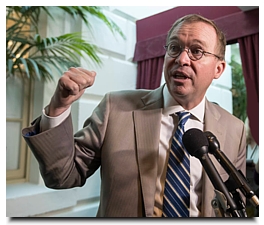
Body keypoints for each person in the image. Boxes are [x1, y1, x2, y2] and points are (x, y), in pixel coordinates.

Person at [22, 14, 246, 217]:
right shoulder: (116, 108)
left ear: (219, 69)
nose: (182, 59)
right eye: (174, 48)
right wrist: (58, 107)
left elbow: (237, 202)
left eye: (196, 51)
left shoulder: (234, 129)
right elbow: (61, 176)